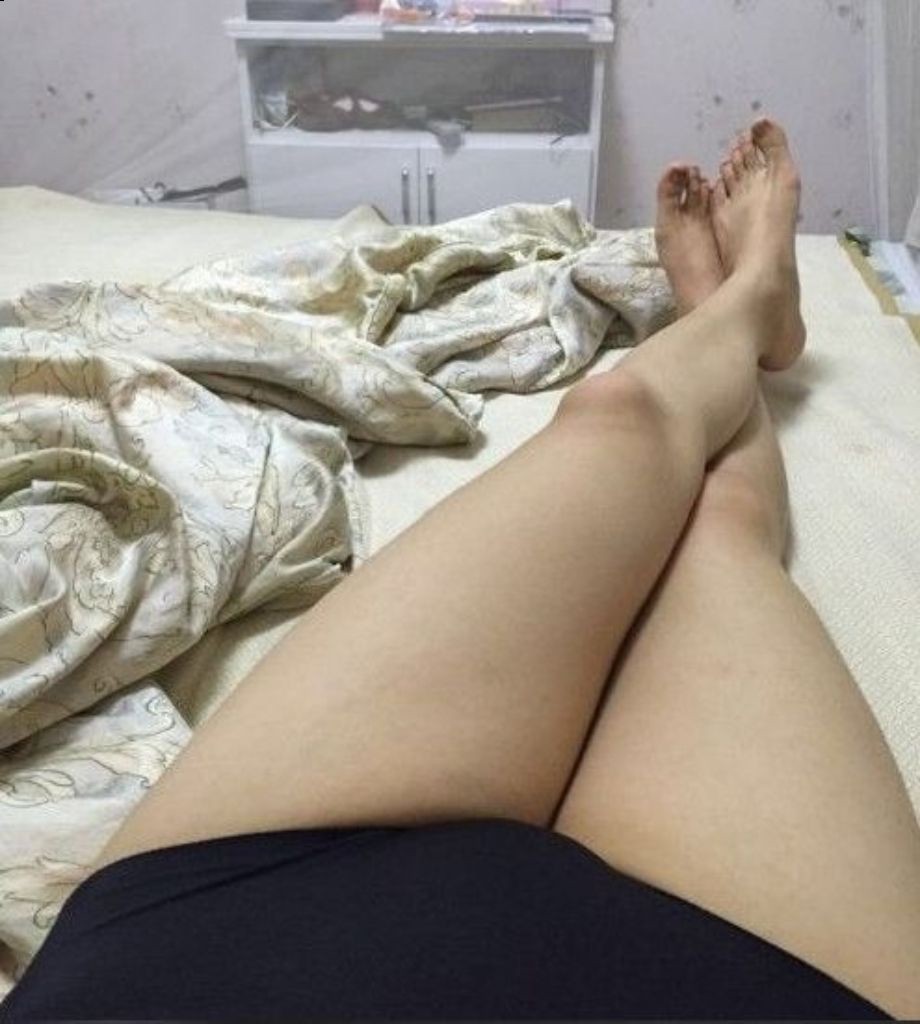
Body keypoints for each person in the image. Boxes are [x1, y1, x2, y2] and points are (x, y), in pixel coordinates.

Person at [4, 120, 919, 1020]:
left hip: (203, 934)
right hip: (741, 978)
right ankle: (743, 305)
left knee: (622, 416)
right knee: (718, 524)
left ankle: (736, 307)